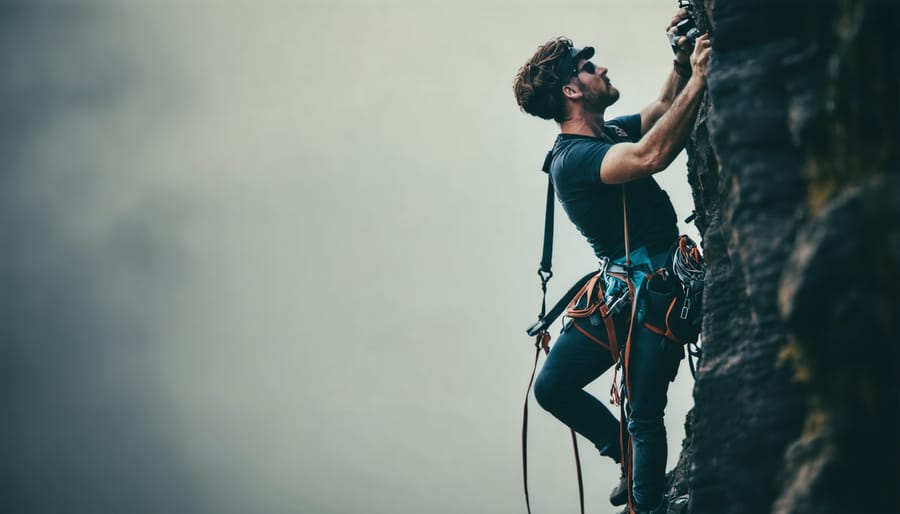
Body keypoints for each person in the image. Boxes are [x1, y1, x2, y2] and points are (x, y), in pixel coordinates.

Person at [512, 9, 712, 514]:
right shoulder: (574, 161)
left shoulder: (605, 134)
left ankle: (641, 492)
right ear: (571, 92)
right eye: (587, 67)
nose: (600, 70)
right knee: (560, 388)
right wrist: (705, 77)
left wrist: (681, 59)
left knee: (641, 412)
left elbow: (666, 104)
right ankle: (635, 478)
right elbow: (650, 157)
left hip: (643, 283)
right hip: (643, 287)